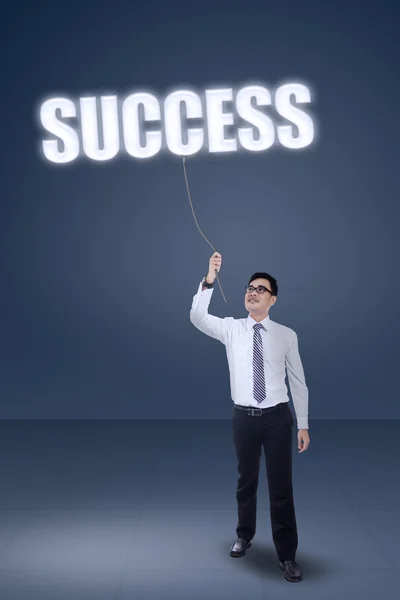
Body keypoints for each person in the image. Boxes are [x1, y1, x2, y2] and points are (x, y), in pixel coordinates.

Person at [189, 251, 310, 583]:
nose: (252, 292)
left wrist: (303, 423)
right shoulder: (231, 329)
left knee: (281, 487)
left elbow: (298, 381)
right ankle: (244, 534)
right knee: (246, 481)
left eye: (260, 289)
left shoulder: (286, 335)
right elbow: (198, 317)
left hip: (277, 419)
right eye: (248, 288)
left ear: (272, 299)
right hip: (243, 417)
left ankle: (286, 555)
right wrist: (210, 279)